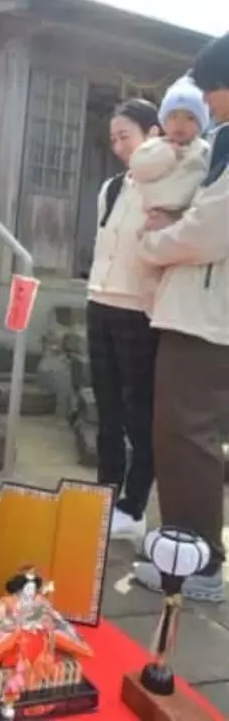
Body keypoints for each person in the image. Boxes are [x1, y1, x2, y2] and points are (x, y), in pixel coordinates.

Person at [133, 36, 229, 603]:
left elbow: (209, 232)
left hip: (206, 315)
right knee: (188, 433)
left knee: (185, 433)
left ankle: (196, 559)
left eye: (212, 90)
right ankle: (188, 546)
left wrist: (153, 242)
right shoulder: (219, 144)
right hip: (204, 309)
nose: (207, 103)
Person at [86, 99, 162, 545]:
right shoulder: (112, 189)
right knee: (107, 411)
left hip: (139, 311)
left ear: (153, 135)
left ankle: (134, 507)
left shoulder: (168, 189)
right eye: (113, 138)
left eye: (125, 136)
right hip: (100, 302)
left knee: (140, 415)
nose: (118, 146)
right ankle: (103, 498)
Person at [130, 77, 210, 216]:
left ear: (201, 125)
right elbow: (138, 167)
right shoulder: (154, 147)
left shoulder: (205, 151)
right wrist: (168, 155)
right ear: (164, 122)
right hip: (151, 214)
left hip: (186, 216)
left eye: (190, 118)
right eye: (173, 117)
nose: (180, 124)